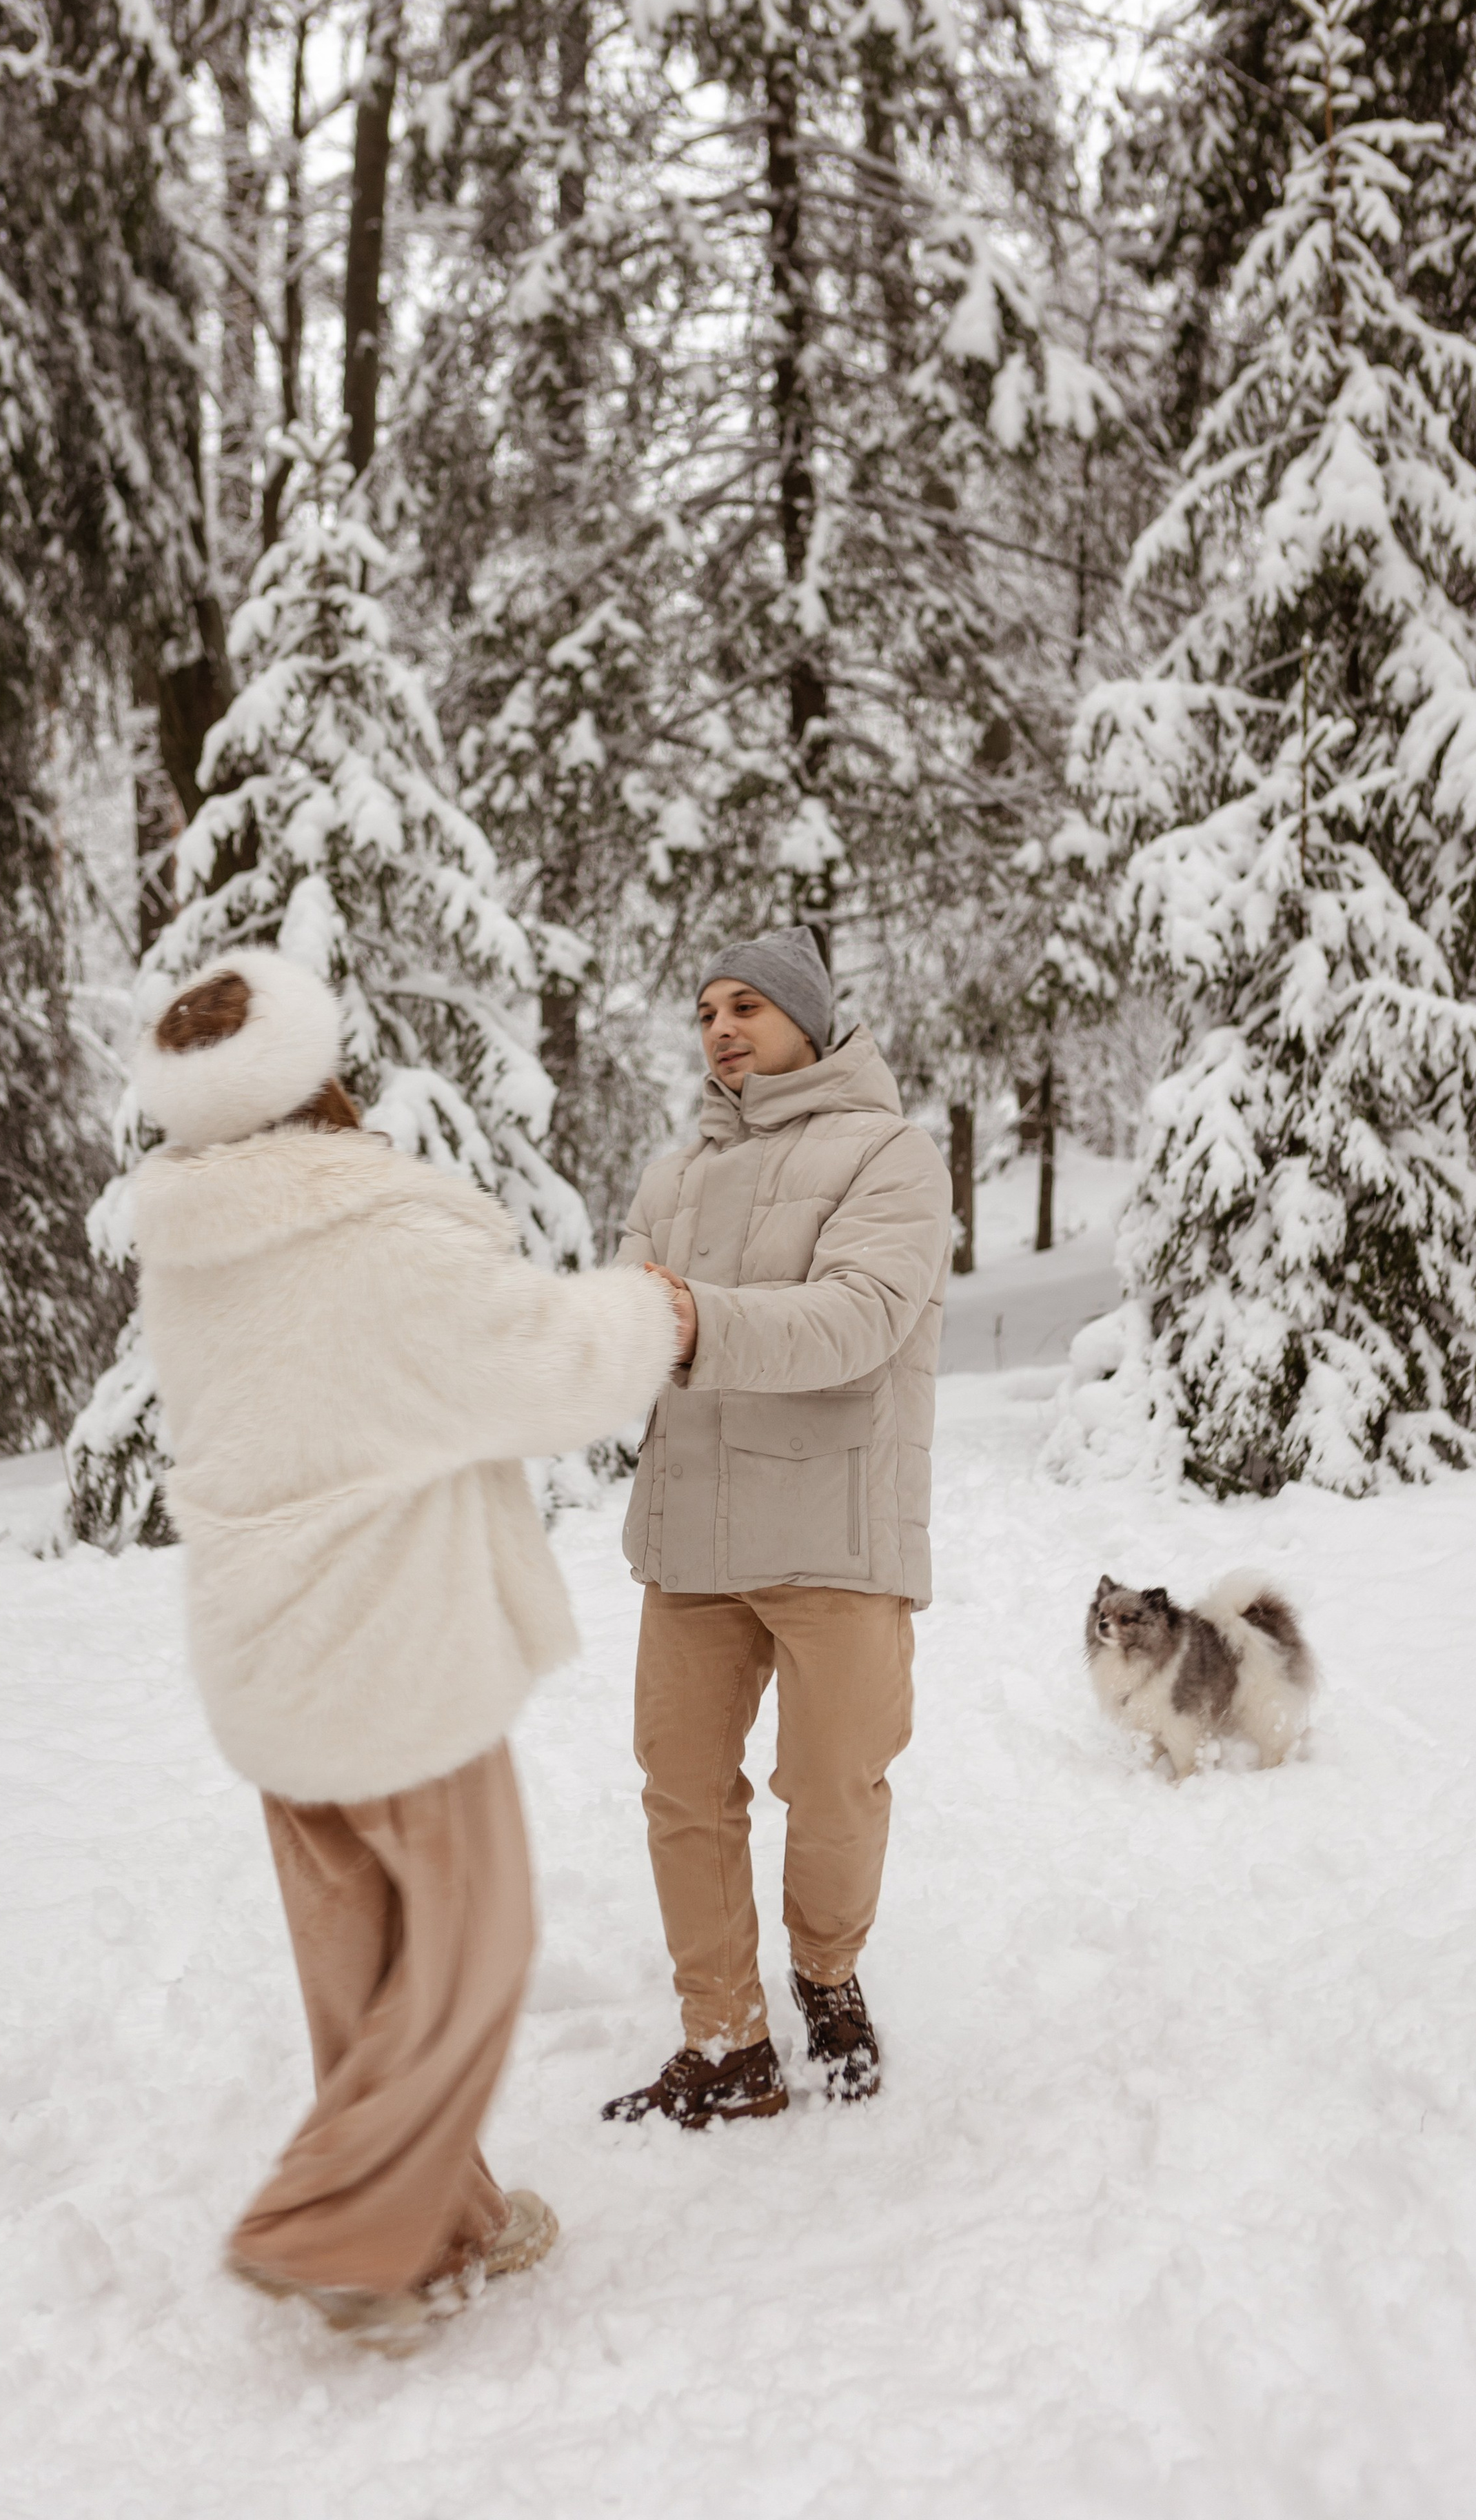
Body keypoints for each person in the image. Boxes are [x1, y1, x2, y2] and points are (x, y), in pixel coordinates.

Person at [131, 947, 678, 2351]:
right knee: (467, 1947)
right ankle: (346, 2239)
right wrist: (655, 1310)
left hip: (267, 1660)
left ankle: (445, 2229)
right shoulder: (374, 1233)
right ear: (320, 1082)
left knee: (359, 1965)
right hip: (395, 1663)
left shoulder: (189, 1248)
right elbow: (539, 1364)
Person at [603, 925, 952, 2126]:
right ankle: (725, 2041)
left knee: (836, 1784)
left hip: (834, 1528)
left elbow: (858, 1319)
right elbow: (626, 1326)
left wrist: (691, 1319)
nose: (721, 1029)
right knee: (684, 1790)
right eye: (706, 1011)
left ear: (809, 1017)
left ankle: (826, 1974)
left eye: (746, 1005)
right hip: (691, 1535)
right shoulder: (674, 1173)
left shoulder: (891, 1157)